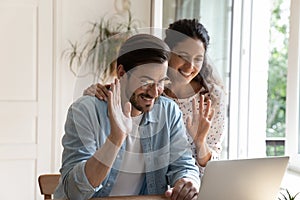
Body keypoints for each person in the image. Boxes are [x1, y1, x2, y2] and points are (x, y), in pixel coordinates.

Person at [54, 33, 201, 200]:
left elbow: (184, 165)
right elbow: (75, 192)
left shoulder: (169, 112)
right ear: (121, 72)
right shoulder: (85, 111)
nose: (154, 92)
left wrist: (187, 182)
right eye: (146, 81)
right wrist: (115, 139)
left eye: (161, 82)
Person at [83, 19, 226, 176]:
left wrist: (200, 143)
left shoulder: (211, 98)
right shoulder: (152, 93)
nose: (190, 66)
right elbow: (120, 89)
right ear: (168, 53)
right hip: (155, 185)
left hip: (193, 185)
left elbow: (215, 165)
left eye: (198, 59)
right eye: (183, 56)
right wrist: (95, 92)